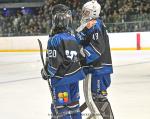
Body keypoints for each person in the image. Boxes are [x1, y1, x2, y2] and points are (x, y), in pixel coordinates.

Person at [41, 4, 85, 119]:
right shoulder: (73, 38)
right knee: (74, 107)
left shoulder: (54, 40)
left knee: (62, 109)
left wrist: (45, 73)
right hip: (74, 79)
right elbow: (81, 57)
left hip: (61, 81)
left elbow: (53, 66)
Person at [75, 0, 114, 119]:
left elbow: (98, 47)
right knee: (93, 97)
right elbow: (79, 40)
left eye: (87, 11)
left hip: (99, 68)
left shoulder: (96, 24)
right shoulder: (88, 24)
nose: (84, 13)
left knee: (98, 97)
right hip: (94, 68)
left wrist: (82, 54)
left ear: (94, 12)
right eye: (84, 11)